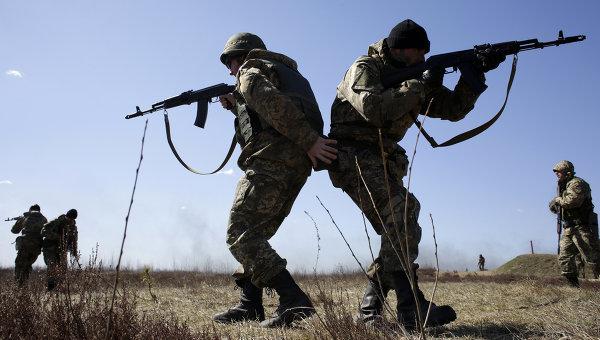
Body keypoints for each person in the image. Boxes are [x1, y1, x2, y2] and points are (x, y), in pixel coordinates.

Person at [327, 19, 504, 330]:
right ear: (397, 49)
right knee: (403, 210)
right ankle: (411, 308)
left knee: (396, 229)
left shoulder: (414, 77)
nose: (423, 59)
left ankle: (371, 313)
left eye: (426, 54)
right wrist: (420, 83)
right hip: (351, 154)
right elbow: (373, 108)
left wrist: (474, 76)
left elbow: (452, 109)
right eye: (418, 52)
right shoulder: (365, 67)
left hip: (382, 159)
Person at [212, 32, 337, 328]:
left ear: (242, 56)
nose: (231, 70)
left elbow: (271, 103)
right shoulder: (287, 73)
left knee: (241, 232)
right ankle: (250, 304)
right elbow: (268, 111)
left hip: (273, 159)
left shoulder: (251, 71)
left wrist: (309, 140)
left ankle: (291, 297)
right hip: (296, 162)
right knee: (256, 232)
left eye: (231, 62)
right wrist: (238, 105)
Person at [549, 160, 600, 286]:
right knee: (564, 258)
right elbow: (555, 206)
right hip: (569, 228)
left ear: (567, 172)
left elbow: (572, 201)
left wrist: (558, 200)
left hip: (582, 227)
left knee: (593, 257)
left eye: (559, 172)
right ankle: (573, 287)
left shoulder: (577, 183)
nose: (557, 175)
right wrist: (555, 203)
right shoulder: (564, 187)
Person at [41, 208, 78, 291]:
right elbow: (44, 231)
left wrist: (74, 251)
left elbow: (74, 239)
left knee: (63, 268)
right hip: (50, 249)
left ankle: (60, 287)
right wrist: (57, 237)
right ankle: (50, 288)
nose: (71, 220)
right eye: (70, 218)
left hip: (62, 250)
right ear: (67, 216)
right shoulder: (56, 222)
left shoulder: (73, 227)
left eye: (73, 219)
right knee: (52, 266)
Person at [10, 204, 47, 286]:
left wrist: (19, 221)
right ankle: (24, 286)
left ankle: (18, 287)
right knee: (27, 265)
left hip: (25, 246)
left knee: (19, 265)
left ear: (30, 209)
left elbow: (14, 230)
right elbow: (45, 233)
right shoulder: (44, 219)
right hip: (37, 247)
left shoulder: (25, 217)